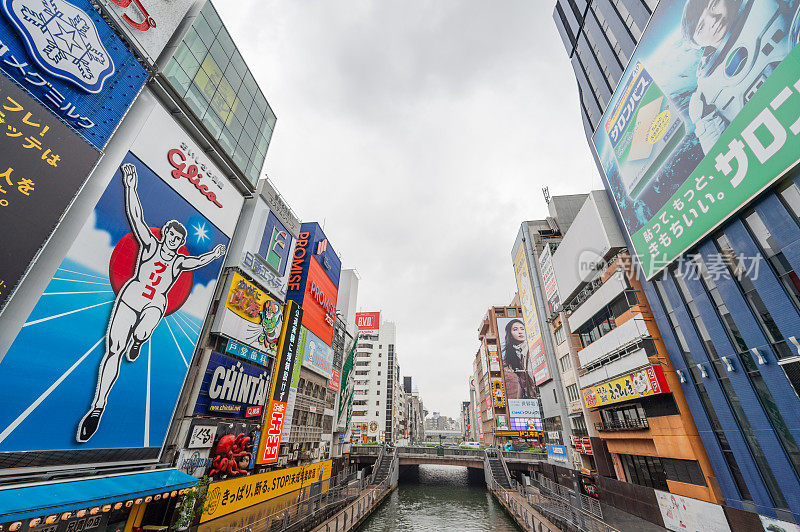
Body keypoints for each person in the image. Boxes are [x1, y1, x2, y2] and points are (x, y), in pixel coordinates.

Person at [77, 163, 226, 443]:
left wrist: (215, 254)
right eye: (170, 235)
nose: (173, 240)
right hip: (131, 297)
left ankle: (139, 338)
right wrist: (131, 186)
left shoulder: (179, 261)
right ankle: (97, 409)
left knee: (152, 313)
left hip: (153, 303)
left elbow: (197, 261)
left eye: (178, 239)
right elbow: (136, 216)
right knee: (113, 352)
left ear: (180, 242)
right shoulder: (149, 245)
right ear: (165, 235)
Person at [682, 0, 800, 153]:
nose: (713, 19)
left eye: (714, 4)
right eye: (701, 27)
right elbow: (719, 154)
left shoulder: (769, 4)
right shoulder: (704, 98)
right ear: (695, 43)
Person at [502, 319, 535, 399]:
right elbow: (521, 380)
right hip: (530, 399)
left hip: (540, 395)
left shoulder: (531, 348)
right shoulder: (513, 354)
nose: (520, 332)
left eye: (522, 329)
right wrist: (518, 401)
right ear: (510, 334)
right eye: (515, 329)